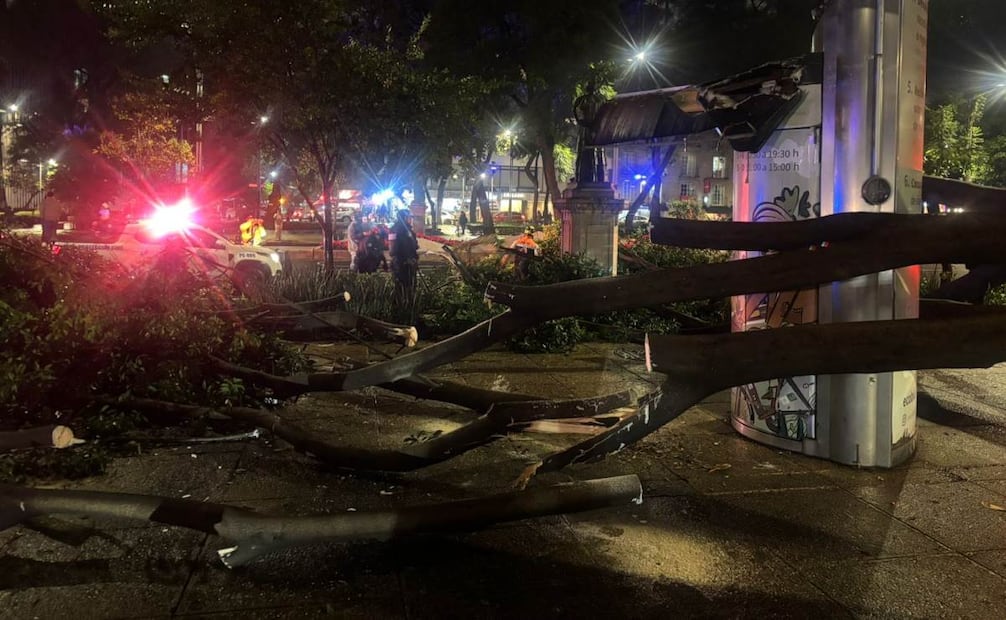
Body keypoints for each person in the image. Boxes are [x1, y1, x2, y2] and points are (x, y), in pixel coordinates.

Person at [389, 208, 419, 294]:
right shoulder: (402, 231)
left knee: (402, 287)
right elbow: (394, 249)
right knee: (406, 288)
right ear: (404, 218)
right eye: (409, 217)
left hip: (402, 262)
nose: (411, 219)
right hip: (403, 263)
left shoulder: (394, 229)